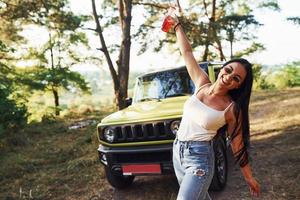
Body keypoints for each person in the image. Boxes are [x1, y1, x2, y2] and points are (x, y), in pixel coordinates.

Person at [165, 6, 261, 200]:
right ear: (223, 67)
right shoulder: (201, 83)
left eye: (236, 79)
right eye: (229, 70)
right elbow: (187, 53)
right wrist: (177, 26)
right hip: (178, 151)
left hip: (200, 159)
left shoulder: (231, 108)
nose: (229, 77)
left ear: (238, 86)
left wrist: (249, 177)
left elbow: (237, 144)